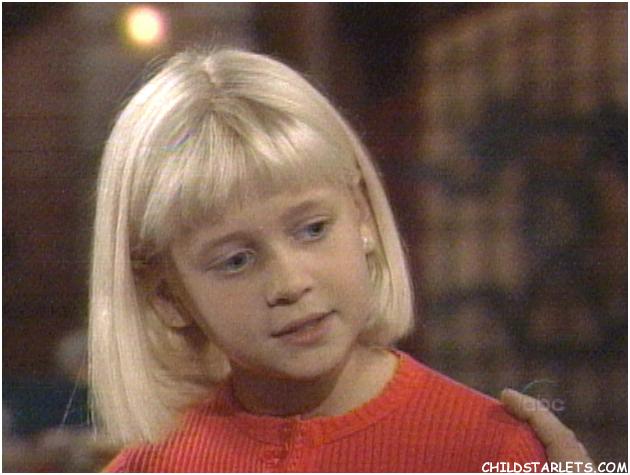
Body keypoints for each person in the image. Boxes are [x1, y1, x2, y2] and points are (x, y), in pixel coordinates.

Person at [92, 47, 550, 472]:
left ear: (362, 215)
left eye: (313, 229)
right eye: (236, 261)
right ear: (167, 296)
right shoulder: (149, 467)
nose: (291, 283)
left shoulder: (491, 451)